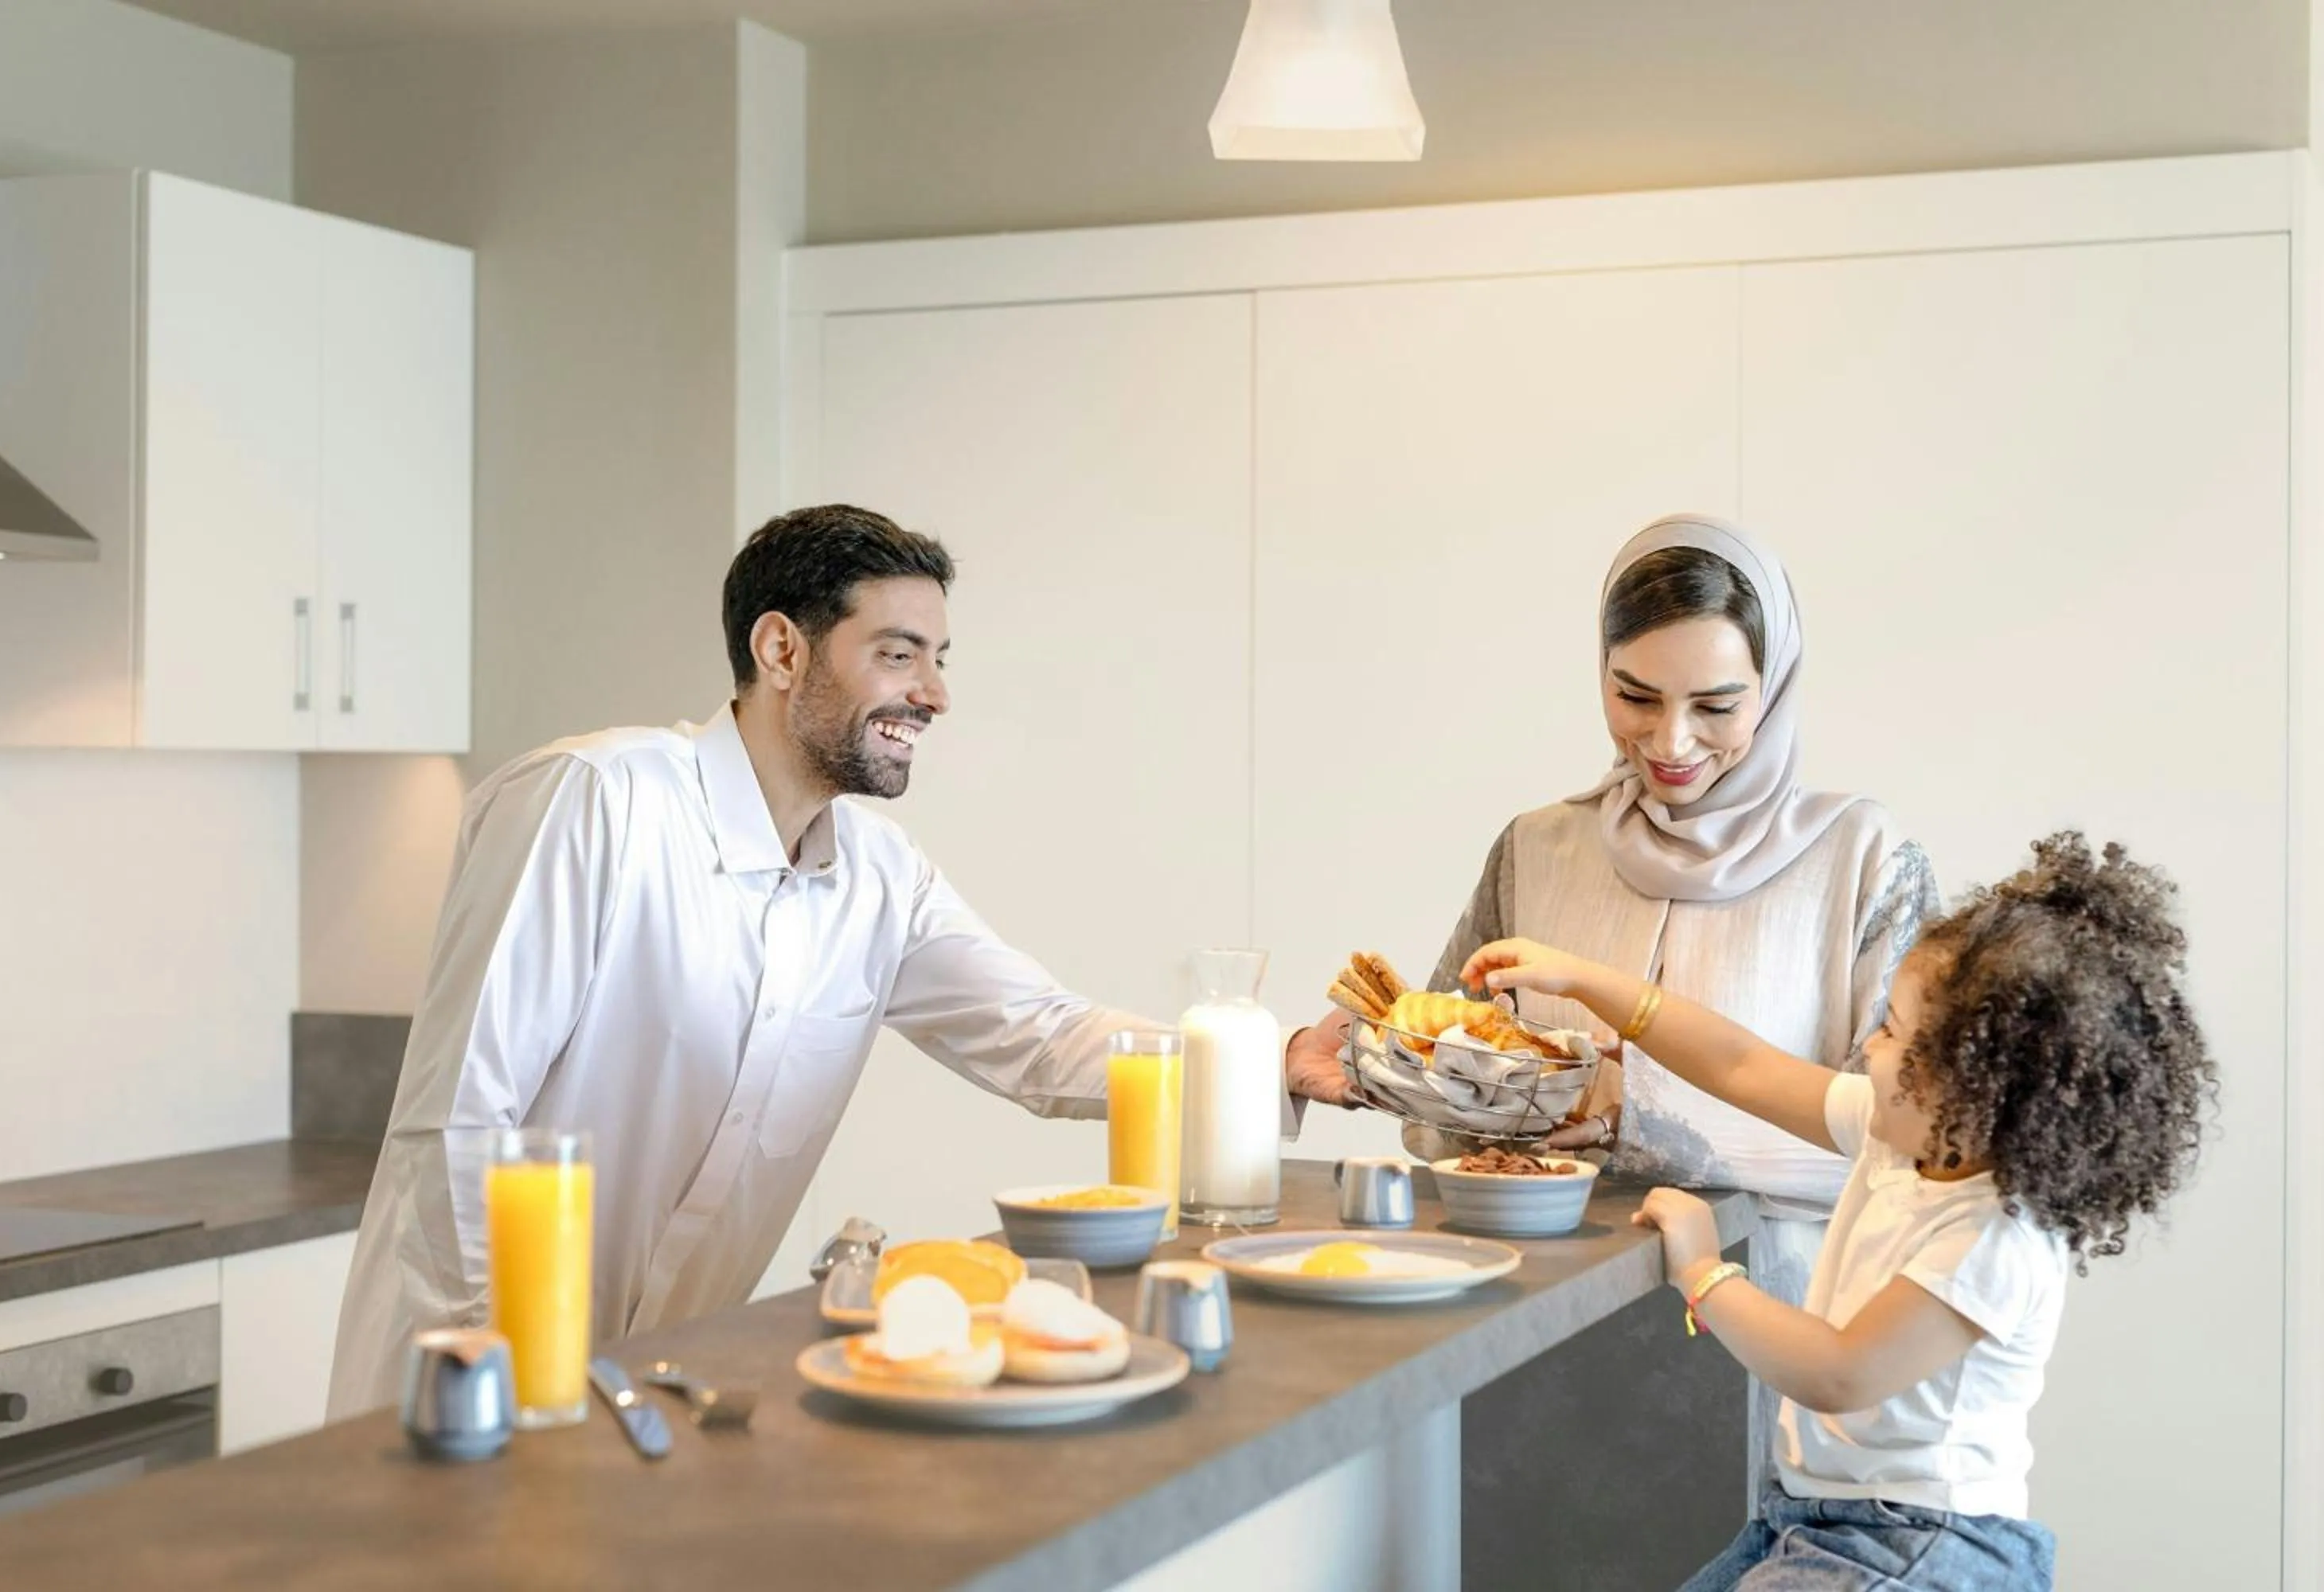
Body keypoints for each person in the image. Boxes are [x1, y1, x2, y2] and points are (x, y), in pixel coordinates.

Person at [329, 503, 1346, 1418]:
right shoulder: (593, 801)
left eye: (941, 656)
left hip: (650, 1387)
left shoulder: (877, 876)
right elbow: (460, 1121)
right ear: (781, 648)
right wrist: (500, 1377)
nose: (937, 693)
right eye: (901, 654)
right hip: (468, 1383)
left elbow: (1039, 1034)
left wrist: (1277, 1057)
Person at [1285, 513, 1937, 1473]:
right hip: (1541, 1341)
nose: (1670, 740)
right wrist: (1374, 1070)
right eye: (1635, 695)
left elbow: (1908, 1147)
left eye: (1717, 704)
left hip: (1782, 1354)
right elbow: (1444, 1084)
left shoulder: (1861, 858)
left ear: (1777, 681)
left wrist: (1639, 1110)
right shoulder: (1538, 847)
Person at [1461, 833, 2215, 1590]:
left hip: (1926, 1546)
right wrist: (1588, 981)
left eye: (1893, 1031)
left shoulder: (1994, 1238)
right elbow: (1741, 1065)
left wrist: (1702, 1272)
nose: (1870, 1046)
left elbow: (1839, 1372)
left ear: (1970, 1086)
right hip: (1816, 1518)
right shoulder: (1898, 1141)